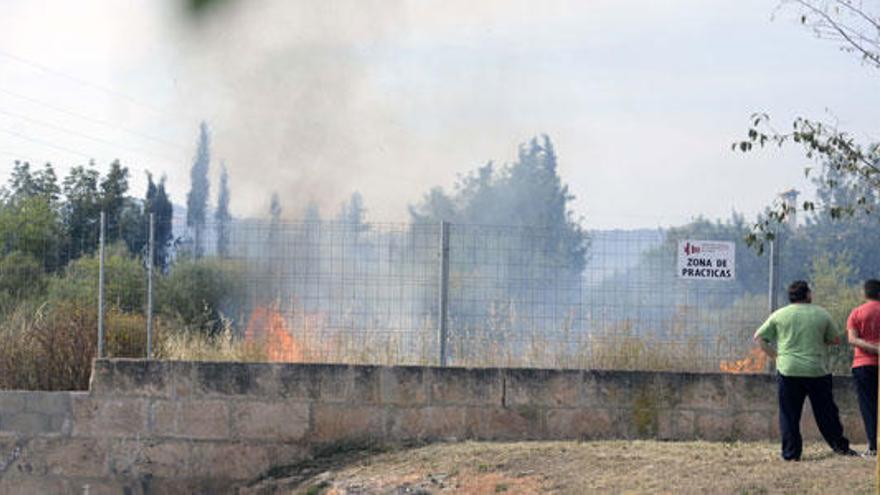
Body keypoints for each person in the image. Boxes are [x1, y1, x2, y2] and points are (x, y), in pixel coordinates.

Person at [753, 280, 857, 461]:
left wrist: (776, 356)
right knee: (826, 413)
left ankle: (791, 454)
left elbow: (759, 337)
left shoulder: (779, 315)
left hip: (788, 370)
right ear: (807, 294)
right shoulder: (821, 314)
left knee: (789, 415)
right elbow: (834, 340)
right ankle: (840, 447)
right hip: (817, 370)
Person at [846, 279, 880, 456]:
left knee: (868, 406)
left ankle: (873, 446)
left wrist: (873, 348)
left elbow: (852, 339)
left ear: (865, 293)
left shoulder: (856, 313)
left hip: (863, 364)